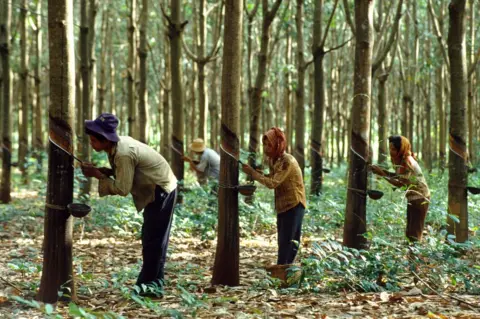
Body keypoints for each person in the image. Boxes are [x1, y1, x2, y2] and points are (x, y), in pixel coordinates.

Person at [80, 113, 177, 294]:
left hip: (161, 190)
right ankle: (155, 286)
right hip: (154, 188)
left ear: (106, 140)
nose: (91, 144)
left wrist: (98, 175)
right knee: (153, 238)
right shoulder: (117, 148)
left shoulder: (123, 153)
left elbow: (123, 188)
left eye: (94, 140)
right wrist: (105, 171)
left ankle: (144, 287)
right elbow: (127, 173)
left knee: (153, 240)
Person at [242, 127, 306, 265]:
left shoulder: (286, 160)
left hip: (294, 205)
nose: (266, 148)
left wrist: (254, 173)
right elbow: (272, 177)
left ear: (278, 144)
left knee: (290, 243)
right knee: (282, 242)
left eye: (269, 144)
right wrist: (259, 173)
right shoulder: (273, 160)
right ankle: (282, 274)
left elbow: (272, 183)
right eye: (264, 144)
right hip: (282, 206)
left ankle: (285, 274)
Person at [371, 135, 430, 242]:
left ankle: (415, 255)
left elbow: (400, 184)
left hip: (420, 198)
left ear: (401, 149)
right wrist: (382, 171)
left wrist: (382, 174)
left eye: (393, 149)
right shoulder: (402, 160)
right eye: (390, 149)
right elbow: (398, 176)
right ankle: (411, 254)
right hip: (413, 198)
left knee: (414, 231)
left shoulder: (407, 161)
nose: (391, 152)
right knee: (410, 230)